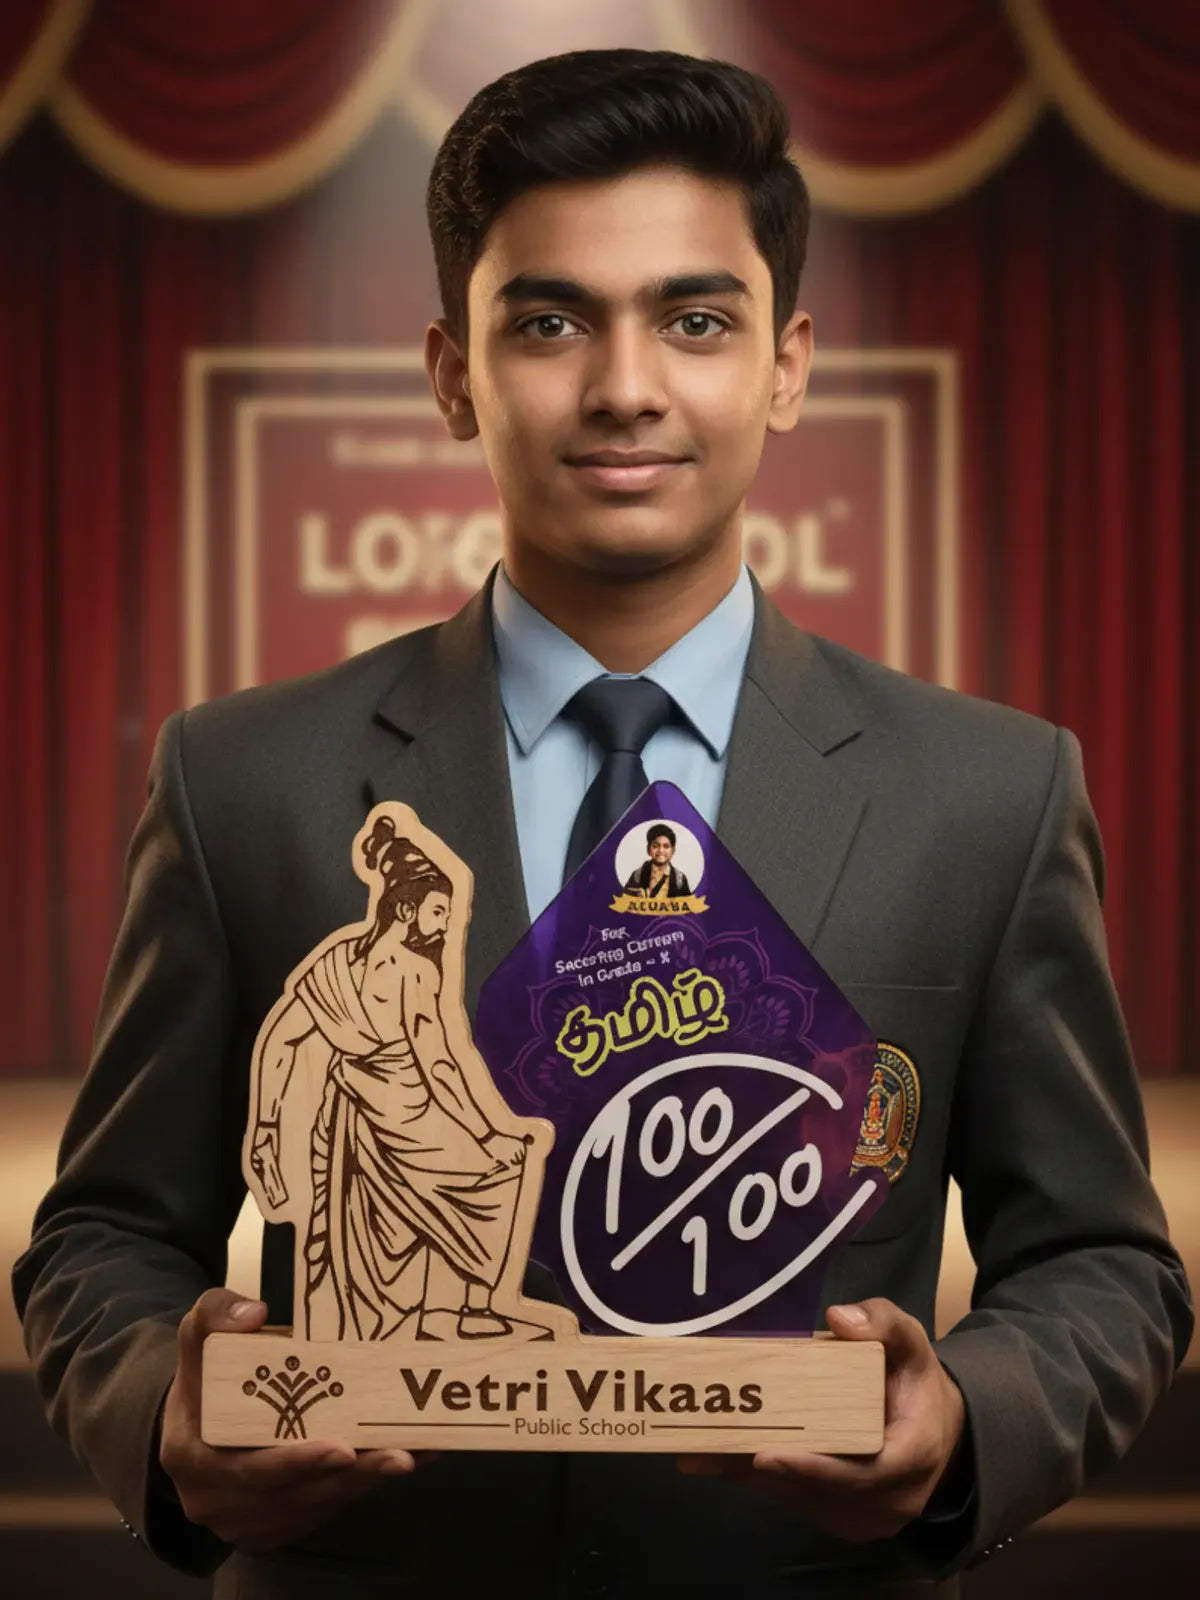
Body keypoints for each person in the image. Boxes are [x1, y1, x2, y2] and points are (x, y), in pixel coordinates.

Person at [13, 47, 1191, 1600]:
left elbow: (1105, 1266)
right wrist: (167, 1410)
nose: (626, 384)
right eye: (551, 321)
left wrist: (968, 1418)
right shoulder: (242, 780)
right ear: (453, 375)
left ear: (787, 364)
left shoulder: (989, 792)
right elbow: (101, 1234)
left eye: (696, 321)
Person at [248, 816, 528, 1343]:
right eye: (438, 911)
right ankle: (467, 1311)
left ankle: (383, 1329)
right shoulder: (418, 972)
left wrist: (266, 1125)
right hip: (408, 1117)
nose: (446, 924)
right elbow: (439, 1066)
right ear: (406, 908)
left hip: (347, 1116)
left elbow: (281, 1043)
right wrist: (485, 1133)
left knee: (366, 1233)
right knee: (496, 1177)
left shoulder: (334, 964)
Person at [623, 824, 691, 899]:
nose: (661, 850)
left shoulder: (680, 879)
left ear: (673, 851)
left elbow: (687, 907)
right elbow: (625, 902)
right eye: (655, 846)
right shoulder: (637, 876)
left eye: (666, 846)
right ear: (648, 849)